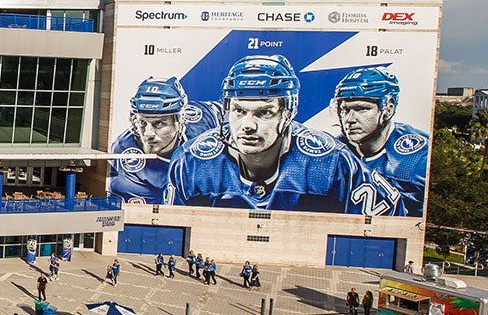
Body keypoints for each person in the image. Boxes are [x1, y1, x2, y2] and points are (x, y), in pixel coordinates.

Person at [166, 55, 402, 215]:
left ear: (287, 113)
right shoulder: (192, 160)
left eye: (264, 112)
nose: (247, 125)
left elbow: (390, 221)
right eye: (239, 110)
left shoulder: (330, 161)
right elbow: (169, 231)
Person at [331, 67, 429, 216]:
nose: (349, 119)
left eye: (361, 109)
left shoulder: (415, 158)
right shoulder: (336, 150)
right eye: (345, 110)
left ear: (388, 109)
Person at [109, 76, 223, 203]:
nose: (147, 133)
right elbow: (156, 216)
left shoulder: (201, 117)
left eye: (158, 123)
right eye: (142, 122)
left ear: (180, 120)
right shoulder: (125, 156)